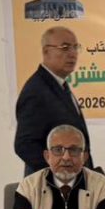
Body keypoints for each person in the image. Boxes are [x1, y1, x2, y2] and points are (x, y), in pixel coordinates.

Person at [14, 26, 96, 175]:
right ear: (46, 51)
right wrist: (61, 174)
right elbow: (25, 145)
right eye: (65, 47)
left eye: (75, 47)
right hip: (51, 186)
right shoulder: (37, 91)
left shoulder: (59, 86)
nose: (72, 53)